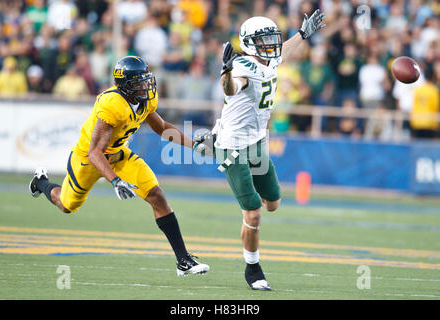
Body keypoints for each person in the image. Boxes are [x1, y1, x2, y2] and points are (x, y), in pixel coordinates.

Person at [29, 56, 210, 276]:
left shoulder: (144, 101)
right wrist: (115, 180)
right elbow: (94, 152)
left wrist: (194, 145)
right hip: (88, 160)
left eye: (146, 80)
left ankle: (183, 260)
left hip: (118, 155)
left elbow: (161, 127)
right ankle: (41, 182)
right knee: (66, 205)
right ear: (125, 86)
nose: (146, 86)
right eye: (139, 82)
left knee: (156, 195)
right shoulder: (112, 104)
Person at [201, 10, 325, 290]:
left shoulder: (266, 61)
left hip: (256, 143)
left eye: (272, 38)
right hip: (232, 146)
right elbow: (232, 88)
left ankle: (248, 215)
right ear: (248, 43)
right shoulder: (242, 66)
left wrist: (303, 34)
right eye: (265, 40)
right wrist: (225, 74)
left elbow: (284, 54)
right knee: (255, 212)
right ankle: (252, 268)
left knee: (273, 204)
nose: (271, 44)